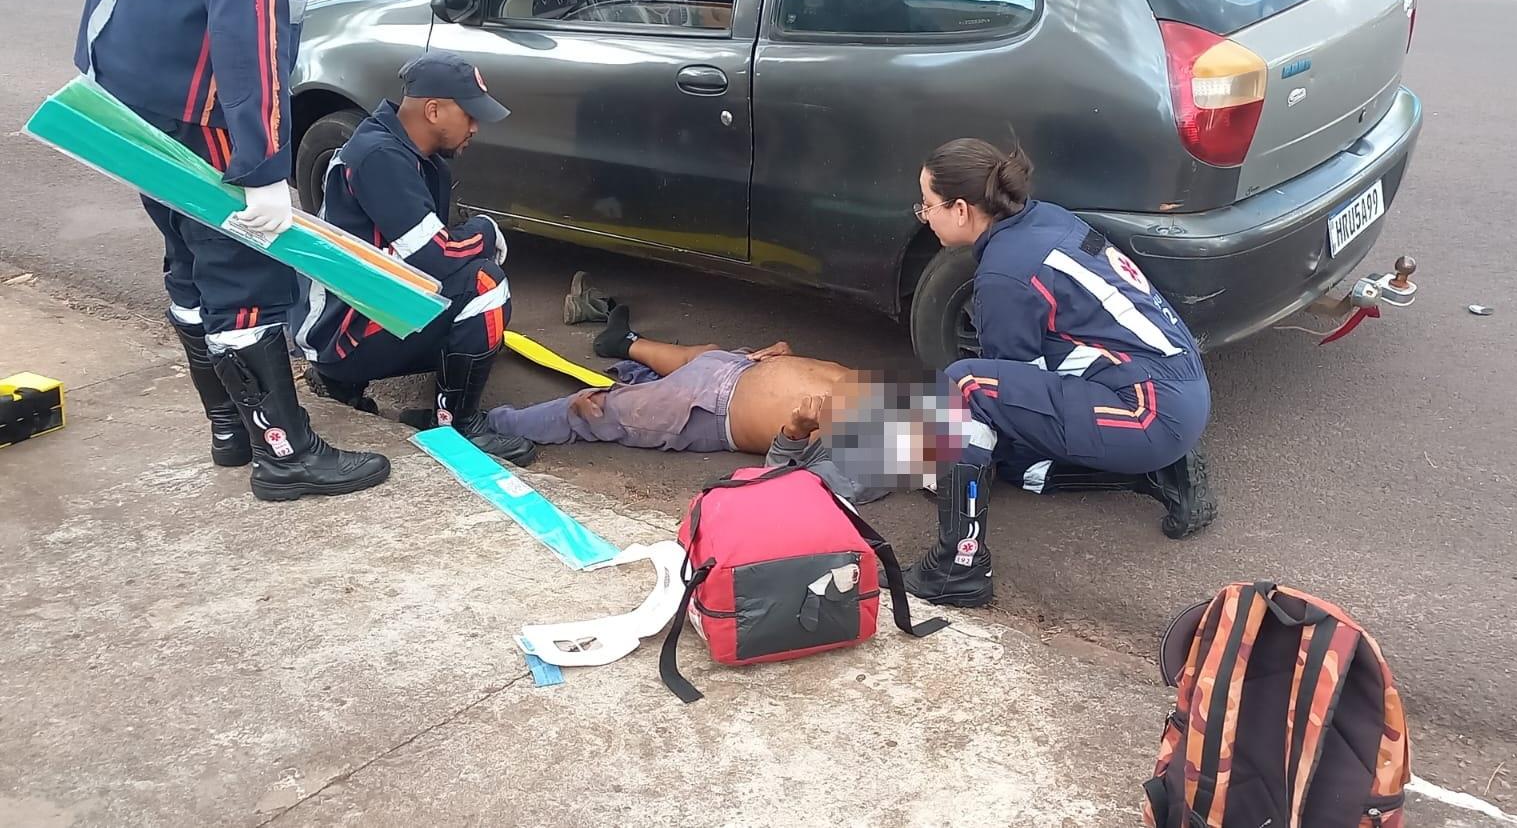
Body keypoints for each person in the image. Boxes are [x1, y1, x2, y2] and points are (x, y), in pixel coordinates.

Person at [73, 0, 390, 501]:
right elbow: (247, 7)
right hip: (197, 96)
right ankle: (285, 456)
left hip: (134, 81)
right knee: (246, 272)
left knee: (188, 252)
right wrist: (263, 159)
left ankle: (230, 426)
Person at [903, 138, 1217, 608]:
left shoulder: (1004, 274)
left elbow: (1000, 396)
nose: (924, 216)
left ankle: (958, 567)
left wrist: (935, 457)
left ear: (962, 209)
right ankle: (1158, 474)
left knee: (961, 389)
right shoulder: (1044, 217)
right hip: (1179, 386)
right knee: (998, 459)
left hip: (1149, 411)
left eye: (926, 206)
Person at [294, 52, 537, 467]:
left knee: (474, 302)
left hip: (351, 316)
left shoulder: (402, 150)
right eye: (470, 115)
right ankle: (456, 424)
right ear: (434, 110)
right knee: (485, 287)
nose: (476, 127)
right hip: (340, 334)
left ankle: (345, 385)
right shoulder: (379, 156)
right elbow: (435, 258)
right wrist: (486, 231)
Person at [483, 305, 891, 503]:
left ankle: (491, 425)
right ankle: (624, 345)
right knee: (706, 352)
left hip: (707, 410)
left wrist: (794, 431)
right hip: (735, 368)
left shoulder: (871, 467)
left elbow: (781, 484)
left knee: (590, 409)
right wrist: (786, 359)